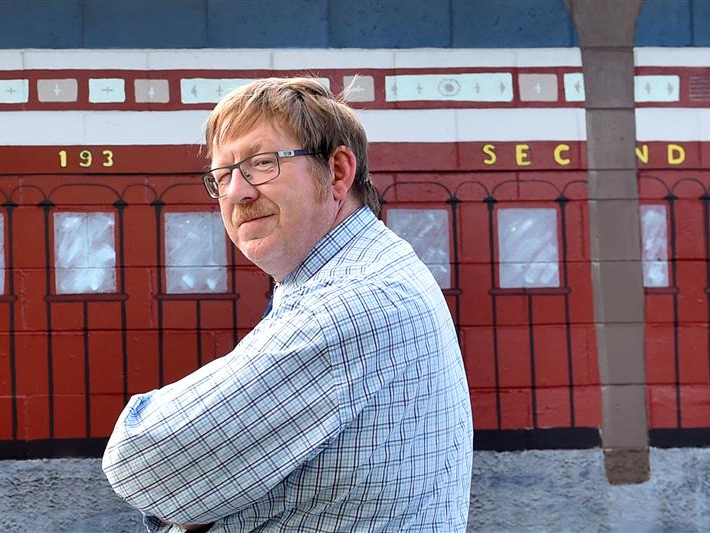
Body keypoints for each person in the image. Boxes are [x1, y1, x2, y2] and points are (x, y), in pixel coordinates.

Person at [101, 78, 471, 532]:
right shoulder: (373, 267)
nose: (238, 191)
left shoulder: (350, 304)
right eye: (222, 176)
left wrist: (197, 499)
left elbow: (140, 458)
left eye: (261, 163)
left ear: (337, 171)